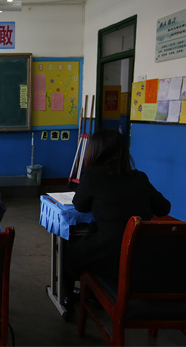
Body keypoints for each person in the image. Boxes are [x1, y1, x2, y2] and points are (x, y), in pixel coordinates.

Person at [62, 128, 171, 309]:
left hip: (108, 254)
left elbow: (80, 205)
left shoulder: (92, 175)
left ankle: (68, 296)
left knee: (68, 248)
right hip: (140, 256)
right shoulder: (140, 178)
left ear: (93, 152)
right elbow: (164, 208)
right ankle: (94, 292)